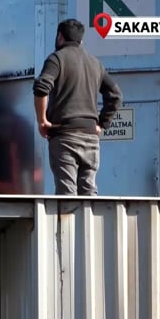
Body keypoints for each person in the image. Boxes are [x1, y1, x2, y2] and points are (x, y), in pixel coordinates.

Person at [32, 18, 123, 196]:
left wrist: (42, 121)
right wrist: (102, 124)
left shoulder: (57, 59)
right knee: (89, 195)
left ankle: (69, 225)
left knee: (67, 196)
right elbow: (116, 95)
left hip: (65, 137)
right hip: (91, 138)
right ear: (81, 41)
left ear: (60, 37)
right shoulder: (95, 63)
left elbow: (42, 87)